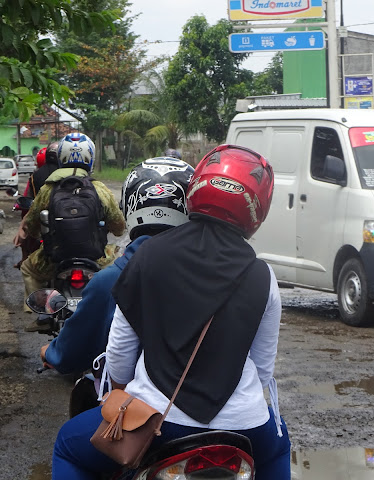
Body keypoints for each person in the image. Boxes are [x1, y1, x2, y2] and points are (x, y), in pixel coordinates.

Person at [51, 145, 291, 479]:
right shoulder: (262, 276)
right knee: (279, 445)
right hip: (246, 428)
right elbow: (262, 370)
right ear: (258, 210)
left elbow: (119, 353)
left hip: (158, 423)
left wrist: (122, 396)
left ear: (195, 190)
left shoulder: (147, 258)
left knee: (68, 446)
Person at [39, 157, 194, 373]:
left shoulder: (110, 281)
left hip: (128, 395)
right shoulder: (213, 272)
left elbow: (72, 353)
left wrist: (52, 352)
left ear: (131, 204)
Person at [15, 133, 125, 312]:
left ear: (61, 158)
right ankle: (113, 312)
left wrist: (35, 234)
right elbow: (119, 227)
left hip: (55, 259)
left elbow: (32, 222)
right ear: (90, 158)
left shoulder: (48, 189)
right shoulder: (100, 189)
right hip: (97, 257)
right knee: (119, 269)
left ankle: (41, 315)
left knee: (28, 268)